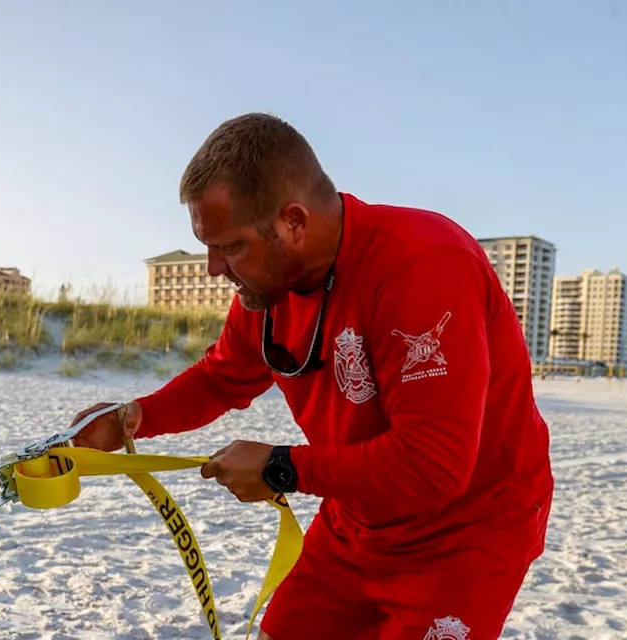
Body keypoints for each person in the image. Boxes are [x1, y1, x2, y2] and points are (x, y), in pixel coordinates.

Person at [69, 112, 554, 640]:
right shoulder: (265, 288)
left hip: (466, 533)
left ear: (293, 222)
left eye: (230, 247)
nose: (213, 268)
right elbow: (222, 377)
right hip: (359, 516)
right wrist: (132, 419)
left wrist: (282, 468)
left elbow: (434, 464)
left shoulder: (421, 262)